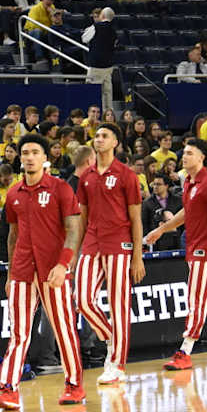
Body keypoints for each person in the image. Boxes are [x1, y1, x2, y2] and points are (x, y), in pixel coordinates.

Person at [0, 134, 84, 411]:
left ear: (46, 159)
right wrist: (9, 274)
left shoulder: (60, 189)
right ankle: (9, 390)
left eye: (34, 152)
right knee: (19, 332)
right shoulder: (14, 192)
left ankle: (74, 385)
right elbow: (12, 235)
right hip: (21, 271)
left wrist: (63, 264)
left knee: (63, 328)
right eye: (25, 153)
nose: (29, 157)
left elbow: (74, 230)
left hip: (53, 270)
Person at [146, 139, 207, 369]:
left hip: (206, 251)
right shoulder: (189, 182)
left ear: (202, 157)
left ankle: (185, 350)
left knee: (196, 298)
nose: (184, 156)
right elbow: (184, 213)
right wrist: (161, 230)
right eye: (184, 152)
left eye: (190, 153)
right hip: (193, 248)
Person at [76, 122, 144, 385]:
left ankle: (117, 364)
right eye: (97, 136)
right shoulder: (86, 176)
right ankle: (112, 339)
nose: (99, 139)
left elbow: (136, 219)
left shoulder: (127, 175)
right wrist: (74, 252)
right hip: (92, 243)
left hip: (120, 243)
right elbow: (81, 218)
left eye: (105, 136)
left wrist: (137, 256)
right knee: (82, 299)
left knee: (119, 306)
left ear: (115, 142)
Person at [83, 7, 116, 113]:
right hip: (109, 65)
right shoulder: (113, 30)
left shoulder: (96, 26)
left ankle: (94, 115)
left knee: (94, 92)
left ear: (102, 16)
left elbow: (84, 38)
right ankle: (109, 115)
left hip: (96, 65)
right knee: (107, 93)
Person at [141, 174, 182, 250]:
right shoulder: (147, 203)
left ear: (166, 186)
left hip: (176, 241)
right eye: (154, 184)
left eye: (159, 184)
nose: (155, 187)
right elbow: (144, 224)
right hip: (156, 242)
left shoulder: (178, 201)